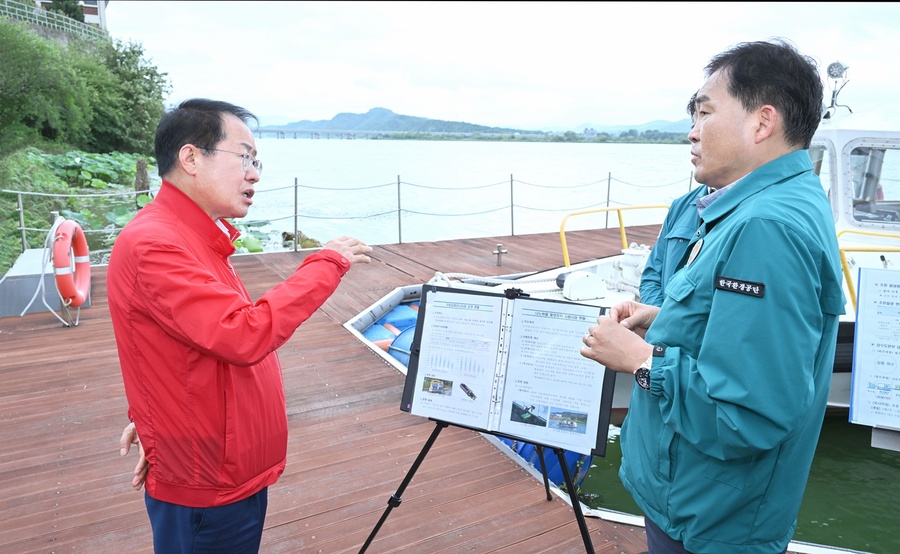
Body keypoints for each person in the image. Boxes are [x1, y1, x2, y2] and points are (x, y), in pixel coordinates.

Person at [581, 39, 845, 553]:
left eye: (704, 113)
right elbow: (740, 334)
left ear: (761, 123)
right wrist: (666, 318)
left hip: (709, 518)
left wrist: (639, 360)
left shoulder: (766, 225)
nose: (692, 132)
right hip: (695, 497)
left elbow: (749, 415)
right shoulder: (771, 203)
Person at [109, 98, 373, 553]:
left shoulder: (193, 236)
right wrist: (327, 263)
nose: (254, 173)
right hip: (208, 482)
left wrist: (150, 414)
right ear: (191, 158)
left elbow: (171, 341)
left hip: (222, 466)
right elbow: (242, 333)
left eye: (257, 162)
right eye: (244, 158)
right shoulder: (157, 242)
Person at [640, 94, 710, 307]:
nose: (692, 135)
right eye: (693, 123)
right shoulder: (681, 206)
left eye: (705, 118)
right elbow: (652, 273)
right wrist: (660, 318)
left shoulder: (752, 215)